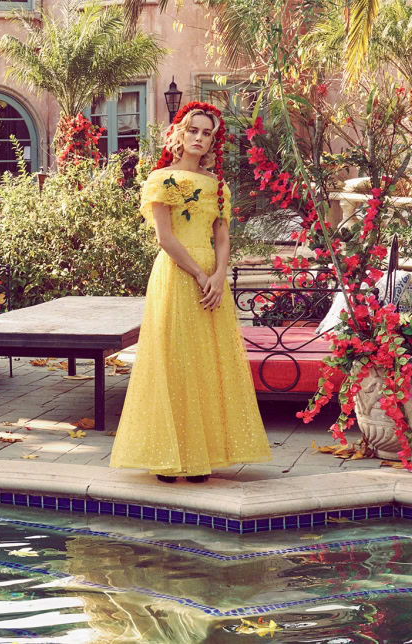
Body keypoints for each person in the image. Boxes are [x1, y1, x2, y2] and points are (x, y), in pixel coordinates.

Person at [109, 102, 272, 483]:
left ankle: (204, 456)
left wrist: (219, 276)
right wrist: (201, 274)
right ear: (179, 135)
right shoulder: (161, 179)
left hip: (211, 281)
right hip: (177, 274)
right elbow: (165, 239)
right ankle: (170, 456)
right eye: (193, 131)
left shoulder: (218, 186)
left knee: (206, 361)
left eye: (207, 133)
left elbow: (222, 236)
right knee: (172, 358)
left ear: (214, 142)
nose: (199, 138)